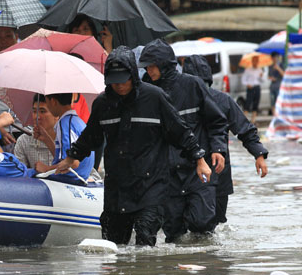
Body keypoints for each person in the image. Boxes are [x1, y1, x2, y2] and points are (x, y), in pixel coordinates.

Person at [56, 46, 211, 246]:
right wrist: (71, 157)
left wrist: (199, 159)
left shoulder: (155, 98)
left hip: (151, 184)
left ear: (133, 76)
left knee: (145, 240)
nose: (120, 86)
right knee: (113, 245)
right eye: (114, 81)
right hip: (117, 187)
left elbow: (180, 131)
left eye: (124, 80)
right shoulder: (103, 104)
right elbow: (90, 135)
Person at [138, 39, 228, 243]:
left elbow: (216, 121)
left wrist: (218, 149)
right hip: (167, 173)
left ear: (164, 64)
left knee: (203, 222)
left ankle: (203, 266)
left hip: (198, 168)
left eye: (152, 65)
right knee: (173, 232)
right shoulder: (146, 92)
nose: (149, 70)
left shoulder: (192, 85)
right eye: (147, 67)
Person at [183, 55, 269, 224]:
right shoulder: (179, 102)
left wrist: (259, 154)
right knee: (198, 221)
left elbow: (244, 129)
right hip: (191, 170)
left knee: (215, 221)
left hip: (218, 170)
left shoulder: (223, 100)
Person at [34, 92, 96, 185]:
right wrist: (46, 139)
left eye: (47, 102)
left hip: (71, 178)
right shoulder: (77, 121)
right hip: (79, 176)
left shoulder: (65, 123)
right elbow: (66, 158)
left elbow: (73, 162)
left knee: (27, 173)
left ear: (53, 101)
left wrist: (46, 169)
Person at [14, 94, 56, 168]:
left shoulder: (68, 139)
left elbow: (71, 169)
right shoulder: (24, 141)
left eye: (42, 111)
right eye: (34, 111)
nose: (36, 117)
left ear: (57, 114)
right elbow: (20, 173)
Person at [242, 55, 264, 124]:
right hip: (250, 88)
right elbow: (243, 80)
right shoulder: (248, 69)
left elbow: (262, 81)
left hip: (257, 87)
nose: (255, 62)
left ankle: (253, 120)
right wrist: (247, 84)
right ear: (252, 61)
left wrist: (261, 77)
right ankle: (244, 120)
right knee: (248, 103)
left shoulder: (260, 69)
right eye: (254, 60)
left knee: (256, 103)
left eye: (256, 61)